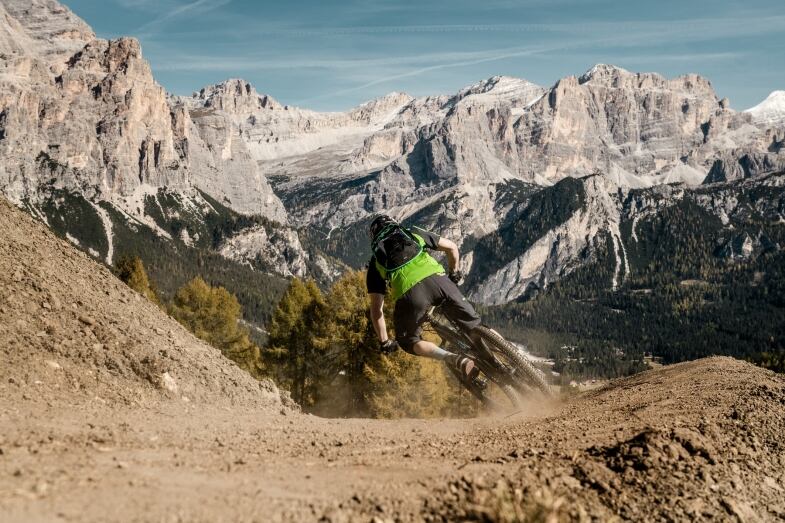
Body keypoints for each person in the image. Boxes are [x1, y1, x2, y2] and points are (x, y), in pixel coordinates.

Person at [366, 214, 482, 381]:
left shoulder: (375, 262)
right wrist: (454, 273)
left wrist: (384, 341)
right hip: (439, 282)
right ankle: (509, 356)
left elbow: (377, 311)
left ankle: (455, 359)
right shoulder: (412, 233)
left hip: (411, 296)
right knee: (476, 325)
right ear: (394, 225)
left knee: (409, 341)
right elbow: (452, 247)